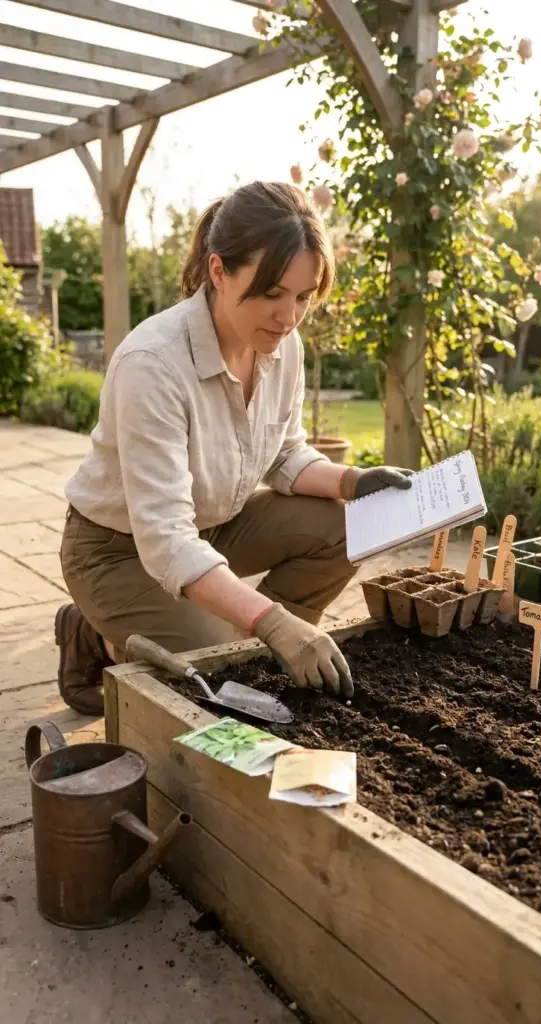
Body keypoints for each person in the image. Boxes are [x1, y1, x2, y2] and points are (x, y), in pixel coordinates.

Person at [57, 181, 411, 716]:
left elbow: (285, 454)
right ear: (219, 271)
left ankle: (261, 648)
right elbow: (168, 541)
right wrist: (269, 619)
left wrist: (355, 482)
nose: (288, 317)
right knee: (215, 669)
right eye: (271, 293)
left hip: (213, 522)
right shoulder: (152, 365)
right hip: (118, 548)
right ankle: (98, 633)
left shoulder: (282, 346)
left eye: (303, 296)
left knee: (347, 528)